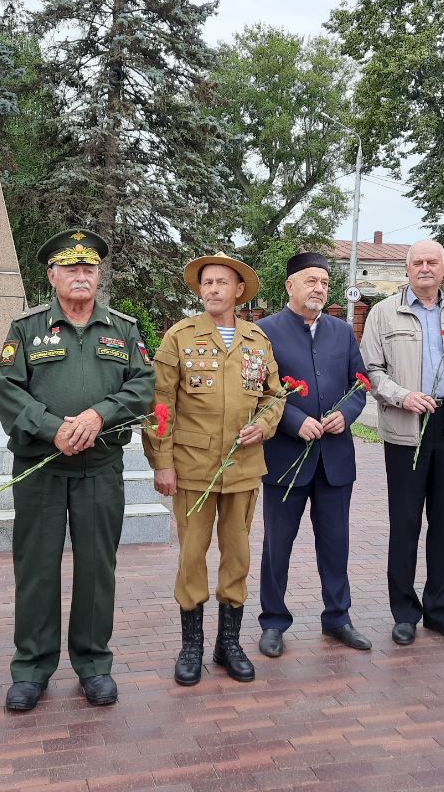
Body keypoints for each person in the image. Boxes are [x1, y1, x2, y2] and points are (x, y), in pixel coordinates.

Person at [0, 229, 155, 711]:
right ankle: (31, 668)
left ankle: (93, 664)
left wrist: (98, 415)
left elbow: (143, 386)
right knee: (38, 567)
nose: (81, 275)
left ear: (98, 275)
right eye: (70, 267)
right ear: (52, 276)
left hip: (100, 468)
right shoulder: (26, 329)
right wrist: (50, 427)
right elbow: (7, 387)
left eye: (88, 268)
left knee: (96, 569)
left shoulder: (123, 330)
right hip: (41, 468)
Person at [145, 253, 284, 686]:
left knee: (237, 556)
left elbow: (273, 396)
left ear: (238, 290)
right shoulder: (179, 337)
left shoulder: (257, 340)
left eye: (222, 282)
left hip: (242, 468)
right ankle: (191, 647)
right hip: (192, 467)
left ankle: (229, 644)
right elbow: (160, 405)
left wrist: (263, 426)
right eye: (206, 283)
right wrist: (162, 462)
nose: (213, 289)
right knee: (191, 557)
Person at [359, 239, 444, 647]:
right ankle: (404, 613)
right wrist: (402, 395)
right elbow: (370, 370)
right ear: (407, 268)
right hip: (405, 428)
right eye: (418, 262)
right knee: (406, 522)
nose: (425, 268)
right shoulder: (383, 313)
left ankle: (438, 610)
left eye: (433, 261)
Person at [256, 252, 371, 658]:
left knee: (336, 542)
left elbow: (361, 383)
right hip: (286, 458)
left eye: (324, 281)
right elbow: (259, 391)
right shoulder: (265, 331)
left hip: (335, 459)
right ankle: (273, 621)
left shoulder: (342, 332)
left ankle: (338, 617)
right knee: (278, 544)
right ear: (290, 286)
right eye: (310, 280)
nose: (319, 288)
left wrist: (345, 413)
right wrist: (292, 420)